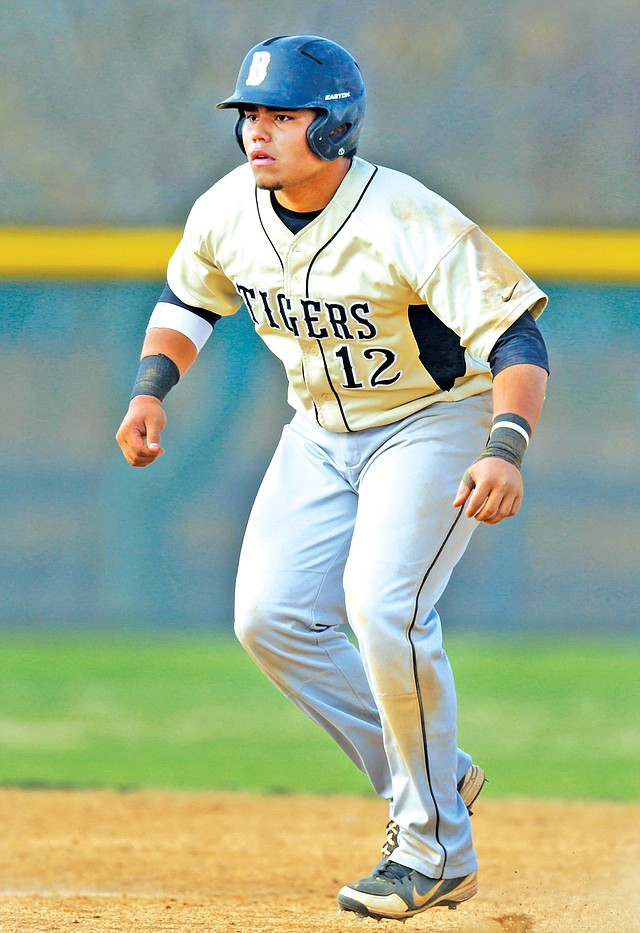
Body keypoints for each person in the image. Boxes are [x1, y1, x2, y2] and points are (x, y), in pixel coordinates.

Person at [116, 35, 549, 922]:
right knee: (269, 617)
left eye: (283, 115)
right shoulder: (229, 209)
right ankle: (434, 770)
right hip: (318, 430)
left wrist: (504, 446)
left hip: (433, 421)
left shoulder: (404, 214)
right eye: (251, 116)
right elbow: (187, 301)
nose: (258, 134)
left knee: (384, 603)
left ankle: (433, 849)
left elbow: (516, 337)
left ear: (337, 125)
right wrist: (151, 390)